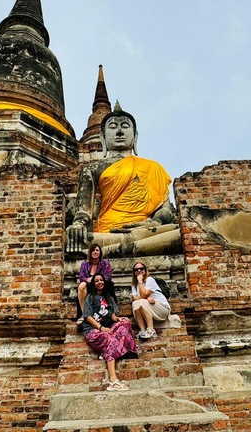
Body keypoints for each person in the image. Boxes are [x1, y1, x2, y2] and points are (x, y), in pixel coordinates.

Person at [66, 102, 181, 258]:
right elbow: (83, 213)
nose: (119, 132)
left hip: (146, 231)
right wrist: (78, 225)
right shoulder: (91, 169)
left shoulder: (152, 167)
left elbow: (165, 209)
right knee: (69, 240)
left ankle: (114, 249)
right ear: (103, 137)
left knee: (182, 234)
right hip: (106, 234)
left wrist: (155, 223)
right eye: (113, 127)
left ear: (135, 136)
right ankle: (125, 246)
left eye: (125, 126)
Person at [82, 273, 137, 391]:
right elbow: (88, 317)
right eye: (96, 281)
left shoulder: (109, 298)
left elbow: (112, 316)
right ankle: (113, 380)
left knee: (125, 323)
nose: (99, 282)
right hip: (93, 331)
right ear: (94, 284)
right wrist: (101, 328)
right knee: (111, 340)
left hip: (107, 330)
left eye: (101, 280)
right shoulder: (90, 297)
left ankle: (124, 351)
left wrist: (119, 319)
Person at [131, 262, 170, 340]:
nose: (139, 271)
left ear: (145, 270)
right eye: (136, 269)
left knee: (142, 302)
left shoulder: (149, 279)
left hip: (162, 307)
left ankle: (151, 330)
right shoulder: (134, 285)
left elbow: (143, 295)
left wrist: (140, 281)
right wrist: (147, 298)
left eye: (141, 269)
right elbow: (135, 298)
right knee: (135, 303)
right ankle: (142, 330)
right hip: (150, 305)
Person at [76, 243, 113, 325]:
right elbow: (82, 278)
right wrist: (90, 280)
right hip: (89, 286)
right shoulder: (85, 264)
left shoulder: (105, 263)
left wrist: (97, 280)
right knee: (81, 285)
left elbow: (108, 276)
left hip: (101, 285)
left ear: (100, 252)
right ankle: (84, 314)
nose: (95, 252)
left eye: (97, 250)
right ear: (90, 253)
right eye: (93, 250)